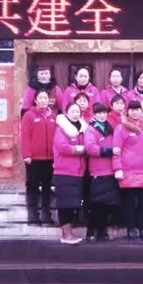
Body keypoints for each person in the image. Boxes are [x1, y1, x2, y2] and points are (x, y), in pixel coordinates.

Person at [113, 100, 143, 240]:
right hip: (127, 170)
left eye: (137, 109)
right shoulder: (121, 128)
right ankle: (131, 227)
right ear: (127, 111)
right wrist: (117, 168)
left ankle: (141, 226)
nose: (135, 112)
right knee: (129, 202)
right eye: (132, 110)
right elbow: (116, 150)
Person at [52, 102, 88, 244]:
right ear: (66, 113)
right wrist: (79, 149)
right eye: (72, 111)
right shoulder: (61, 129)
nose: (75, 114)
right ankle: (66, 234)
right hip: (64, 171)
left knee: (73, 203)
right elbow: (62, 147)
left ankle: (70, 232)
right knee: (65, 204)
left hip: (78, 172)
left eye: (77, 111)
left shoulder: (83, 129)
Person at [83, 103, 119, 242]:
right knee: (96, 204)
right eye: (99, 113)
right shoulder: (91, 129)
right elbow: (90, 148)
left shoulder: (109, 127)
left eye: (104, 113)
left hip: (110, 170)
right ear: (94, 114)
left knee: (106, 204)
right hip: (97, 170)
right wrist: (109, 151)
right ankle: (91, 231)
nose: (102, 115)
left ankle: (102, 231)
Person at [20, 89, 57, 225]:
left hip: (50, 158)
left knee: (47, 187)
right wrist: (26, 155)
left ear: (49, 100)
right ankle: (33, 215)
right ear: (35, 100)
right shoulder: (29, 116)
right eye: (40, 98)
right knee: (32, 186)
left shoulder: (53, 116)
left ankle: (46, 214)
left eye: (45, 98)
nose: (43, 100)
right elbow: (25, 137)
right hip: (34, 158)